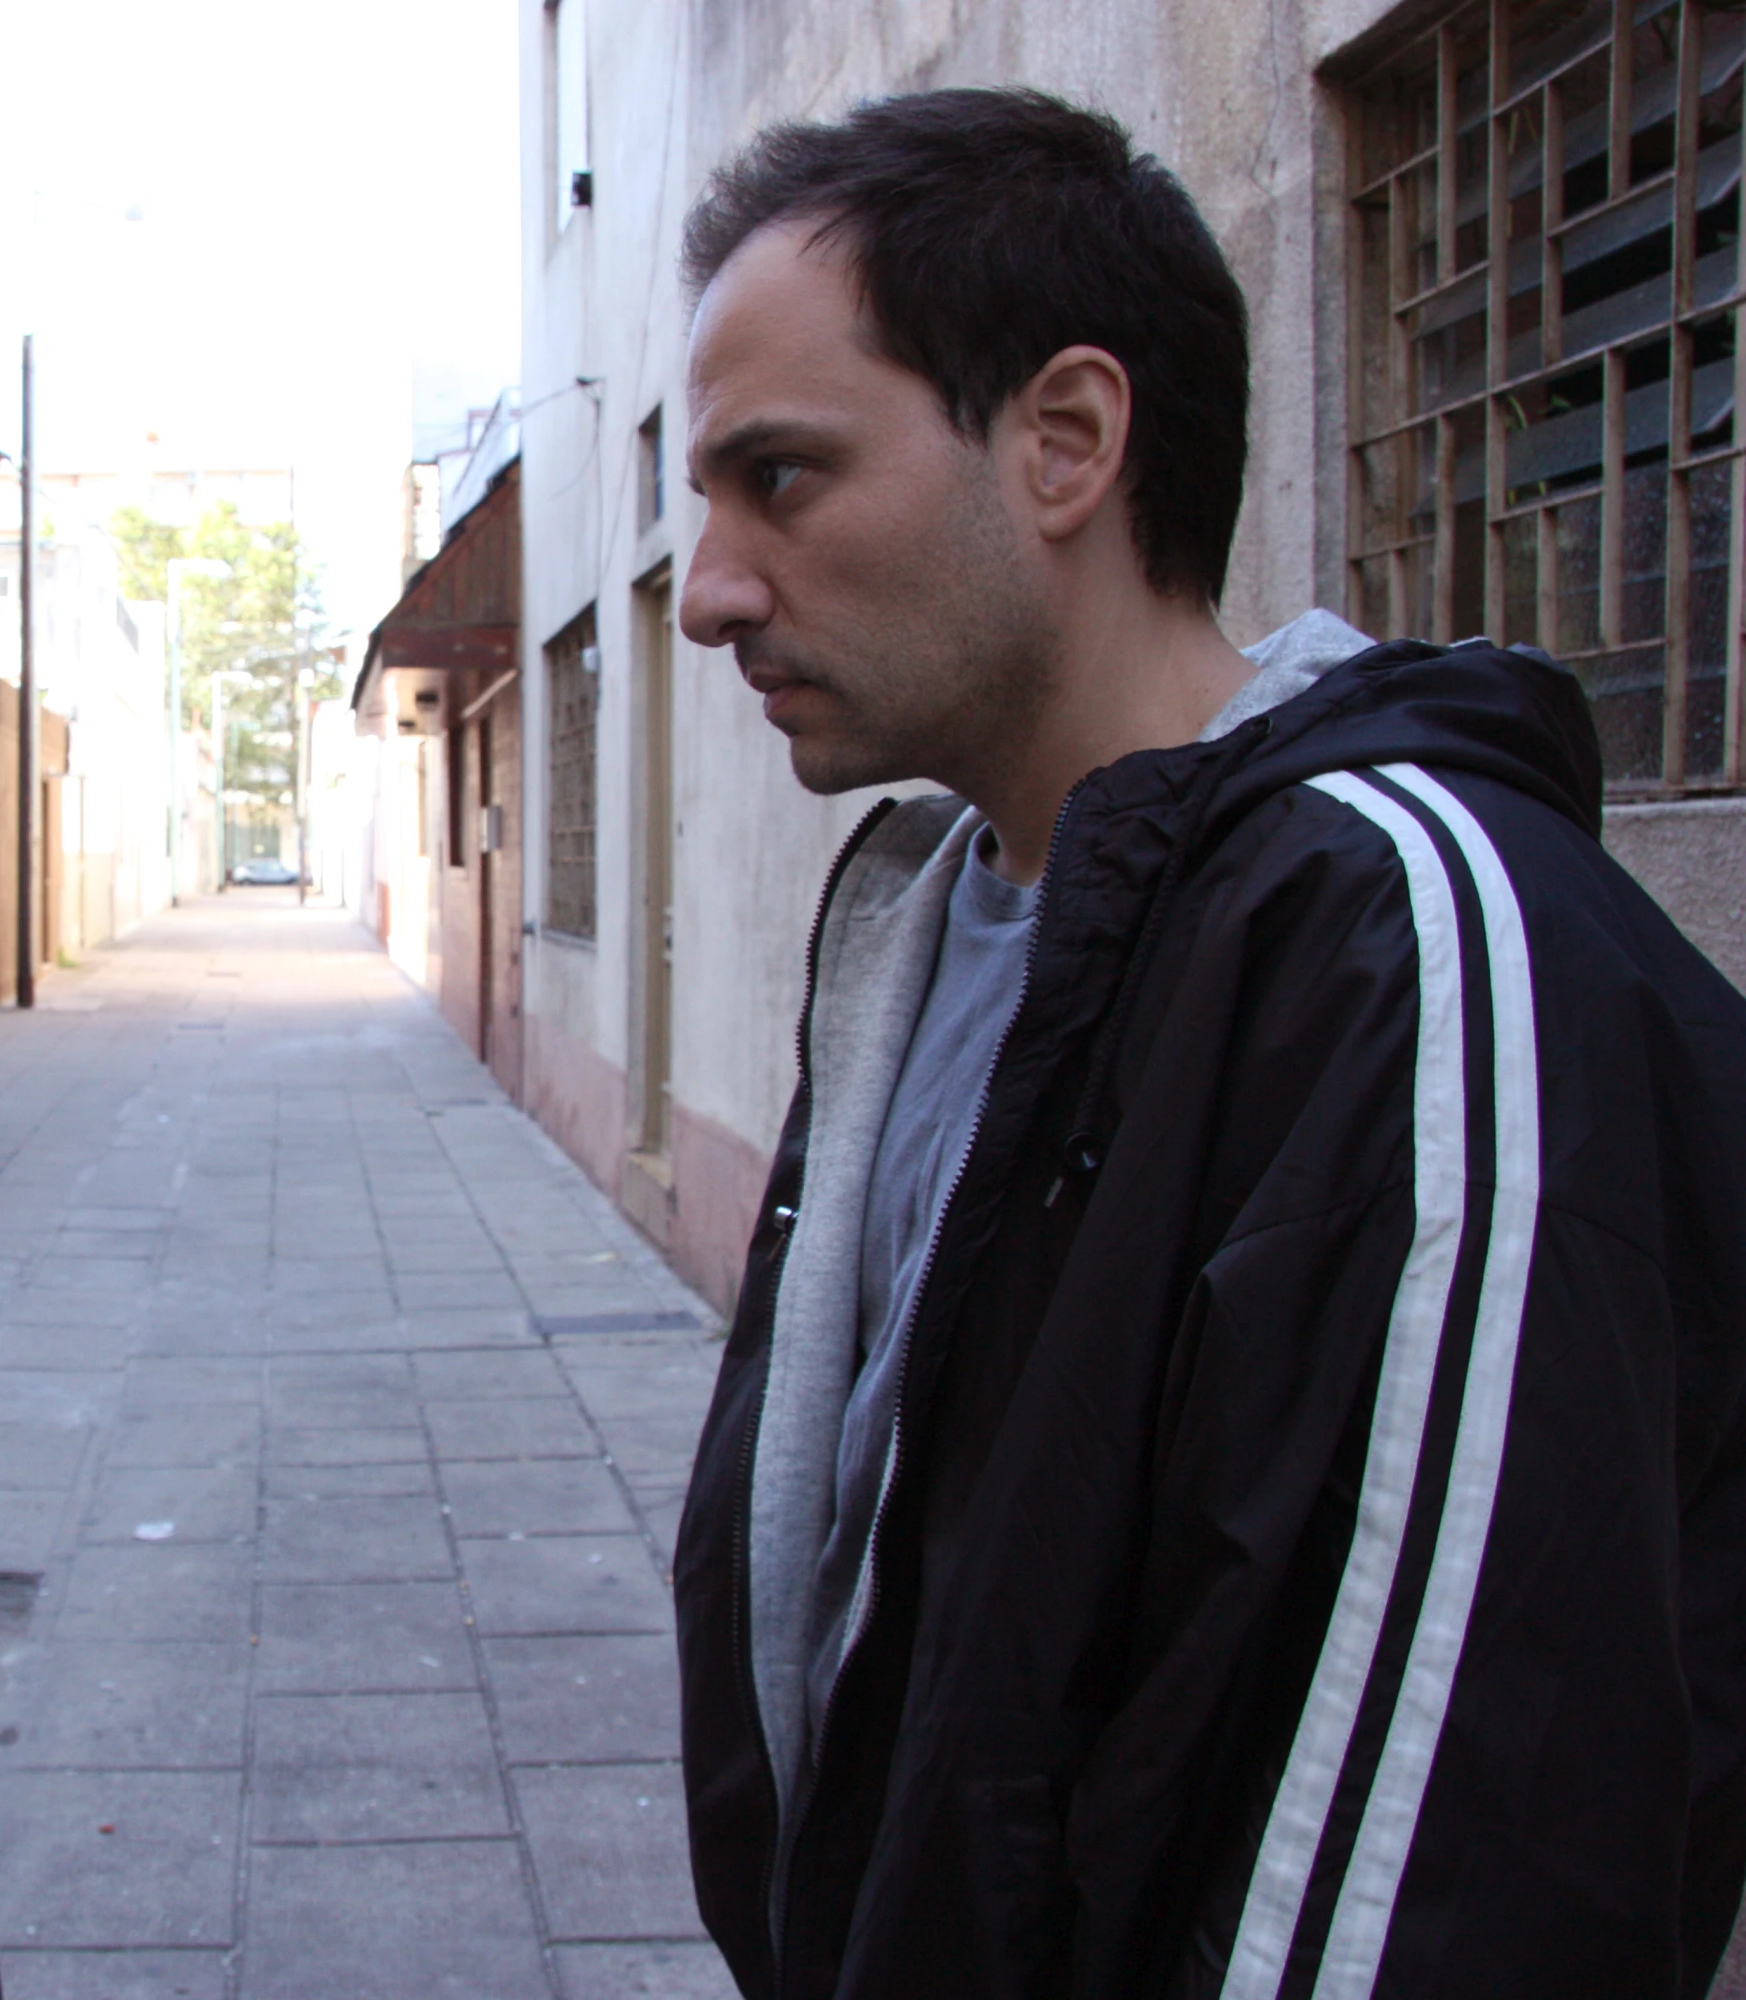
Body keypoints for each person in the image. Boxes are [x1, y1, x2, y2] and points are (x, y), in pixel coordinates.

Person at [670, 88, 1746, 1998]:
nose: (707, 593)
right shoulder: (927, 917)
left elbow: (1454, 1849)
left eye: (783, 478)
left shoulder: (1416, 945)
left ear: (1067, 442)